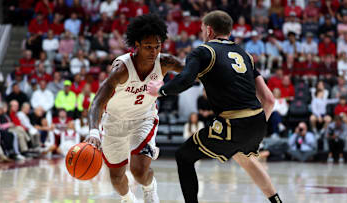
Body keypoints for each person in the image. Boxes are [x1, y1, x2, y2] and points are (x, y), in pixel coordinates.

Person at [147, 10, 282, 203]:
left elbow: (185, 80)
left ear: (209, 31)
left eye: (202, 30)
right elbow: (269, 99)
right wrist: (255, 124)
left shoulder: (203, 50)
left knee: (184, 156)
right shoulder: (245, 55)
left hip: (233, 123)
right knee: (245, 158)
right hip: (258, 122)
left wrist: (160, 90)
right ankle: (277, 201)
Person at [85, 14, 184, 203]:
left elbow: (191, 73)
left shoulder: (165, 62)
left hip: (143, 119)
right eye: (148, 47)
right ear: (136, 45)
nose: (154, 52)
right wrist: (93, 131)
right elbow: (97, 101)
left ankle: (149, 187)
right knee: (116, 177)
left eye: (157, 46)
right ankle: (129, 199)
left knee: (138, 172)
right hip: (114, 122)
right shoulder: (122, 69)